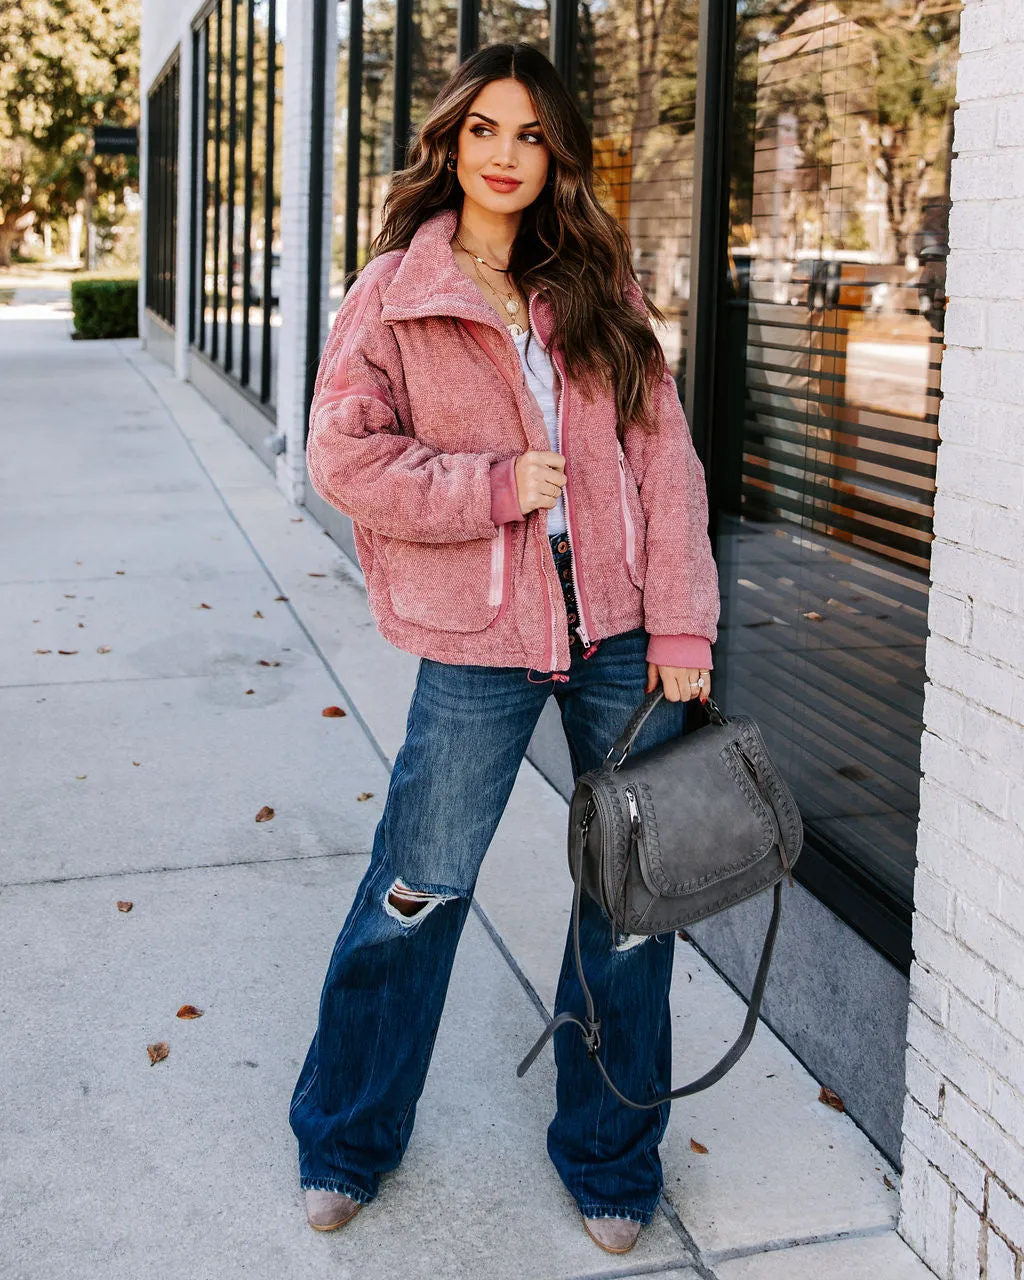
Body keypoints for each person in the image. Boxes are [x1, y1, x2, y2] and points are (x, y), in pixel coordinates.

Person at [289, 41, 720, 1257]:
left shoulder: (598, 280)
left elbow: (664, 461)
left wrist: (682, 618)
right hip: (481, 632)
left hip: (624, 635)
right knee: (415, 891)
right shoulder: (395, 288)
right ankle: (346, 1135)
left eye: (531, 136)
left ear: (556, 155)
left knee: (630, 907)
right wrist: (488, 487)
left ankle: (608, 1152)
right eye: (486, 129)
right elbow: (345, 455)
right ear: (451, 139)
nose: (506, 156)